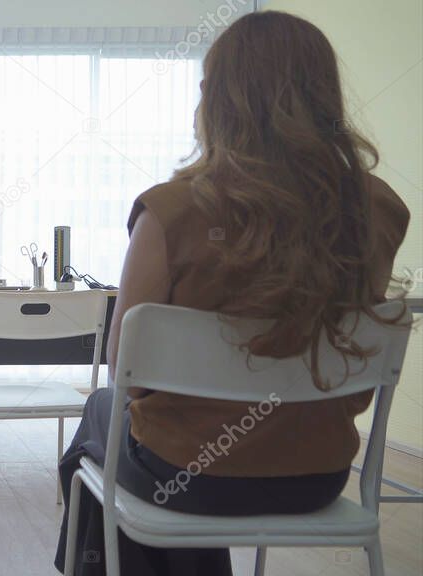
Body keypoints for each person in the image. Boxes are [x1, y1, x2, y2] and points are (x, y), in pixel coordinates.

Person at [55, 11, 411, 576]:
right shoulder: (381, 209)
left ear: (218, 100)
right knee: (137, 444)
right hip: (317, 475)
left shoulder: (171, 211)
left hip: (188, 477)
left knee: (103, 417)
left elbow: (130, 375)